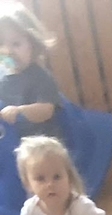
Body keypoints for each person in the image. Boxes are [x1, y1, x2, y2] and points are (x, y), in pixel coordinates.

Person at [0, 3, 62, 140]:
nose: (8, 51)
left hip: (40, 142)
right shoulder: (3, 79)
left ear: (32, 44)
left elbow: (46, 110)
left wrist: (19, 110)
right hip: (11, 142)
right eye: (1, 45)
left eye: (16, 44)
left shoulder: (39, 76)